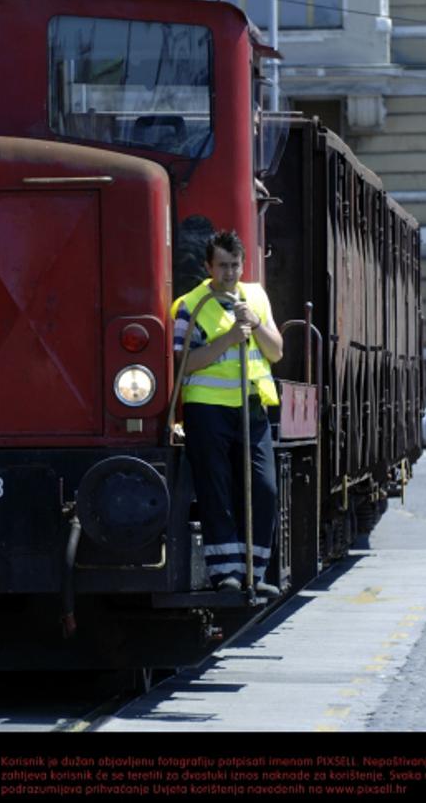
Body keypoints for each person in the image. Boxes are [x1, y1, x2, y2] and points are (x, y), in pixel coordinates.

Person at [172, 230, 284, 596]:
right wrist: (228, 338)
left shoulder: (256, 298)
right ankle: (226, 575)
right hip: (207, 409)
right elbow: (183, 362)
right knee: (216, 490)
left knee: (264, 488)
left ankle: (255, 571)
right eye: (222, 266)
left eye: (235, 265)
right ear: (208, 266)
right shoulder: (191, 304)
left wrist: (253, 323)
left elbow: (276, 351)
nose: (230, 273)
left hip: (251, 406)